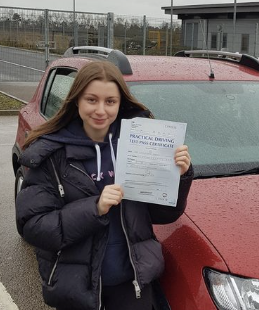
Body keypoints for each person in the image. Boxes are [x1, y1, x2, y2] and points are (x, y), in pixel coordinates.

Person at [15, 61, 193, 310]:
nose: (101, 110)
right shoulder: (51, 154)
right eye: (91, 100)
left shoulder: (141, 146)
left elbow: (163, 214)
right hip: (76, 287)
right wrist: (94, 208)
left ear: (120, 103)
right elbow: (32, 226)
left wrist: (180, 176)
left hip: (132, 286)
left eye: (110, 101)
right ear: (77, 100)